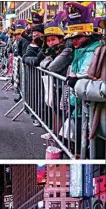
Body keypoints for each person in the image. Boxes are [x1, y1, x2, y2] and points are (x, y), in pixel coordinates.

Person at [64, 1, 106, 157]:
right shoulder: (80, 50)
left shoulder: (99, 50)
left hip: (94, 109)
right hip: (84, 107)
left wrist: (78, 84)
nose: (74, 40)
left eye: (78, 37)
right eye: (72, 37)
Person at [39, 11, 74, 139]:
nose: (50, 43)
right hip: (57, 85)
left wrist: (48, 62)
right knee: (56, 110)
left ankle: (63, 139)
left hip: (65, 87)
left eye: (53, 39)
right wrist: (48, 61)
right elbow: (44, 63)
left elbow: (51, 67)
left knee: (64, 113)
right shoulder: (53, 51)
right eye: (48, 40)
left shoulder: (67, 50)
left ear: (61, 39)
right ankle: (56, 135)